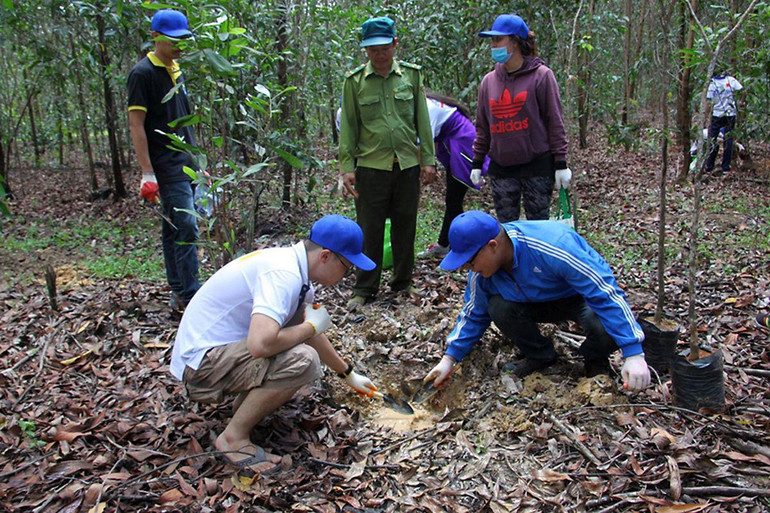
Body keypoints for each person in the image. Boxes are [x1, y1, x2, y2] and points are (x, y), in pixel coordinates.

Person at [170, 214, 379, 475]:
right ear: (325, 256)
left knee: (299, 347)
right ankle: (232, 439)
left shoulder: (295, 272)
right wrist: (310, 327)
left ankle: (244, 410)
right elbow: (262, 344)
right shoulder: (284, 274)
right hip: (201, 365)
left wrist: (348, 374)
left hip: (215, 354)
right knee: (304, 360)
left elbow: (309, 331)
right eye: (347, 267)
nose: (346, 275)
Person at [422, 210, 651, 392]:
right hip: (528, 303)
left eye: (469, 262)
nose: (467, 269)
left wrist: (633, 353)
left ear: (492, 246)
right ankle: (540, 355)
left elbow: (605, 292)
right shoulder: (481, 273)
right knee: (498, 307)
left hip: (576, 298)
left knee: (602, 323)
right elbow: (473, 313)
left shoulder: (553, 246)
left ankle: (594, 360)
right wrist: (449, 359)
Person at [339, 15, 437, 308]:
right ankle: (365, 287)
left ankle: (402, 283)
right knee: (369, 229)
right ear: (365, 50)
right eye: (372, 49)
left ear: (395, 45)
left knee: (405, 226)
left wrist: (428, 160)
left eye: (384, 47)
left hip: (406, 164)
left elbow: (423, 120)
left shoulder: (412, 76)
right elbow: (349, 128)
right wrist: (346, 167)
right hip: (371, 167)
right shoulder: (354, 82)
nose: (379, 54)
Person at [127, 9, 200, 310]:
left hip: (185, 162)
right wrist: (147, 173)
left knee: (174, 228)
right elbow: (136, 124)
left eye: (182, 41)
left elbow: (184, 119)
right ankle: (191, 295)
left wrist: (198, 163)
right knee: (186, 226)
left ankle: (179, 291)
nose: (178, 47)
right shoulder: (142, 74)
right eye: (173, 41)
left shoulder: (177, 70)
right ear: (155, 37)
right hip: (165, 164)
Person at [470, 14, 571, 223]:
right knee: (508, 231)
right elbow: (483, 127)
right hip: (502, 167)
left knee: (538, 229)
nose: (493, 45)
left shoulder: (541, 76)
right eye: (492, 41)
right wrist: (477, 162)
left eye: (499, 40)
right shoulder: (489, 82)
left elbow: (555, 122)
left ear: (515, 42)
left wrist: (561, 163)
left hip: (537, 166)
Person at [417, 92, 490, 258]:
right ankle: (444, 244)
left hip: (464, 145)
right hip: (454, 145)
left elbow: (424, 143)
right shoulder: (424, 105)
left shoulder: (427, 107)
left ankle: (460, 247)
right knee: (452, 200)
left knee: (454, 200)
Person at [704, 72, 744, 176]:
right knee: (728, 140)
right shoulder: (730, 80)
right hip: (729, 114)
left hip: (717, 115)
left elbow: (708, 102)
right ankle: (725, 166)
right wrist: (740, 103)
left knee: (714, 139)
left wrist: (706, 115)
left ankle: (709, 166)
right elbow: (742, 90)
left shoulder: (712, 83)